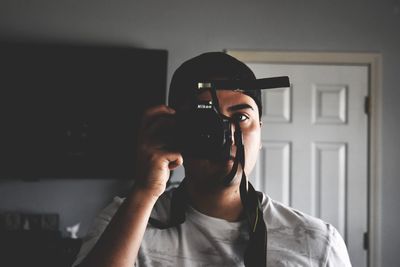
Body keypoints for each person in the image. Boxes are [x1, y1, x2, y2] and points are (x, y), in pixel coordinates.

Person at [72, 52, 352, 267]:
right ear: (176, 129)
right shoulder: (125, 221)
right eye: (208, 120)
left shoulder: (317, 242)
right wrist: (146, 190)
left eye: (241, 117)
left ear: (260, 134)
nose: (228, 133)